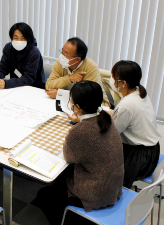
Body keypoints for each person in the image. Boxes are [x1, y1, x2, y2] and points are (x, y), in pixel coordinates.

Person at [37, 81, 124, 225]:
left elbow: (68, 156)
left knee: (43, 195)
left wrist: (75, 129)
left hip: (94, 194)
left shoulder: (80, 131)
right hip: (114, 186)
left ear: (77, 107)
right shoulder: (106, 118)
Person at [110, 60, 161, 188]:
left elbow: (112, 133)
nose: (111, 80)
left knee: (99, 156)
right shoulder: (139, 91)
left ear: (123, 83)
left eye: (113, 77)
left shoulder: (126, 105)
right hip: (152, 150)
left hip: (139, 158)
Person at [45, 37, 110, 106]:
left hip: (95, 106)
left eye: (65, 54)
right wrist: (69, 78)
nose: (62, 56)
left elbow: (89, 97)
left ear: (77, 60)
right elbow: (49, 86)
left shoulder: (90, 67)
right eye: (62, 51)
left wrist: (61, 94)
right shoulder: (60, 63)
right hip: (70, 104)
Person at [0, 22, 45, 89]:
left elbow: (28, 78)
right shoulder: (8, 48)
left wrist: (7, 83)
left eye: (23, 38)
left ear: (28, 38)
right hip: (16, 87)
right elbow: (3, 68)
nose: (19, 41)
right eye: (16, 38)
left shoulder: (34, 53)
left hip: (34, 88)